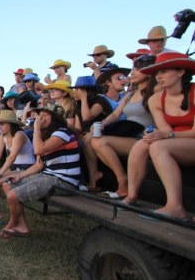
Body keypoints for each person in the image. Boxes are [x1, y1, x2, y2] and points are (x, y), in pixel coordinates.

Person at [123, 52, 195, 221]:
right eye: (157, 73)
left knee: (158, 146)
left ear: (181, 72)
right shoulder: (156, 99)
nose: (159, 77)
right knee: (143, 144)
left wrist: (166, 134)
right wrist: (157, 134)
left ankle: (175, 207)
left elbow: (173, 133)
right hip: (178, 143)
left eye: (164, 71)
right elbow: (163, 130)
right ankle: (131, 196)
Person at [0, 103, 81, 238]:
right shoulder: (49, 136)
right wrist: (20, 175)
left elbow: (38, 150)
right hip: (49, 176)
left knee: (13, 196)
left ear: (55, 118)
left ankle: (12, 224)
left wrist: (36, 129)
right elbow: (39, 165)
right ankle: (21, 225)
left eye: (44, 116)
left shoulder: (63, 133)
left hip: (63, 181)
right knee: (7, 184)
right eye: (39, 116)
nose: (40, 119)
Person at [90, 53, 157, 198]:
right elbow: (115, 114)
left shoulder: (155, 92)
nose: (132, 73)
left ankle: (123, 184)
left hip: (145, 137)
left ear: (150, 71)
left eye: (137, 69)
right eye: (133, 69)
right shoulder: (130, 95)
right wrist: (103, 123)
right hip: (129, 135)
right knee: (95, 141)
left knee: (99, 142)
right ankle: (122, 180)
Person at [0, 110, 35, 231]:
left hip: (26, 167)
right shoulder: (3, 136)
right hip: (15, 167)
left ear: (11, 124)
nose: (0, 126)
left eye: (3, 123)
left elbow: (11, 157)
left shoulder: (19, 135)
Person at [71, 75, 113, 191]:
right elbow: (78, 129)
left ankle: (93, 176)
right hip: (87, 135)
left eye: (77, 89)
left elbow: (87, 118)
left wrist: (84, 99)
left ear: (85, 91)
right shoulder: (78, 105)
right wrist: (65, 125)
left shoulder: (100, 100)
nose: (74, 92)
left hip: (104, 131)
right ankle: (79, 179)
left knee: (87, 139)